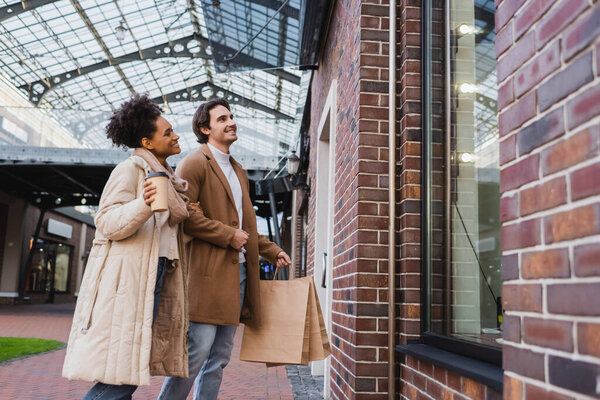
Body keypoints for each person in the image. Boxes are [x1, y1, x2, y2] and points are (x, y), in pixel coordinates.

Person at [158, 98, 291, 400]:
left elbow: (244, 224)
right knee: (197, 352)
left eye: (231, 116)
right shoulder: (194, 163)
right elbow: (185, 215)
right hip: (206, 277)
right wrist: (227, 235)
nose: (231, 122)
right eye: (222, 119)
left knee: (219, 357)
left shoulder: (238, 170)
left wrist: (271, 250)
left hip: (239, 275)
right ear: (205, 129)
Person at [62, 94, 190, 399]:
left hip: (155, 273)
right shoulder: (129, 170)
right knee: (121, 375)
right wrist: (143, 204)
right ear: (147, 143)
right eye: (168, 133)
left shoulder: (167, 179)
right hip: (129, 282)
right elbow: (105, 222)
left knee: (130, 367)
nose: (176, 136)